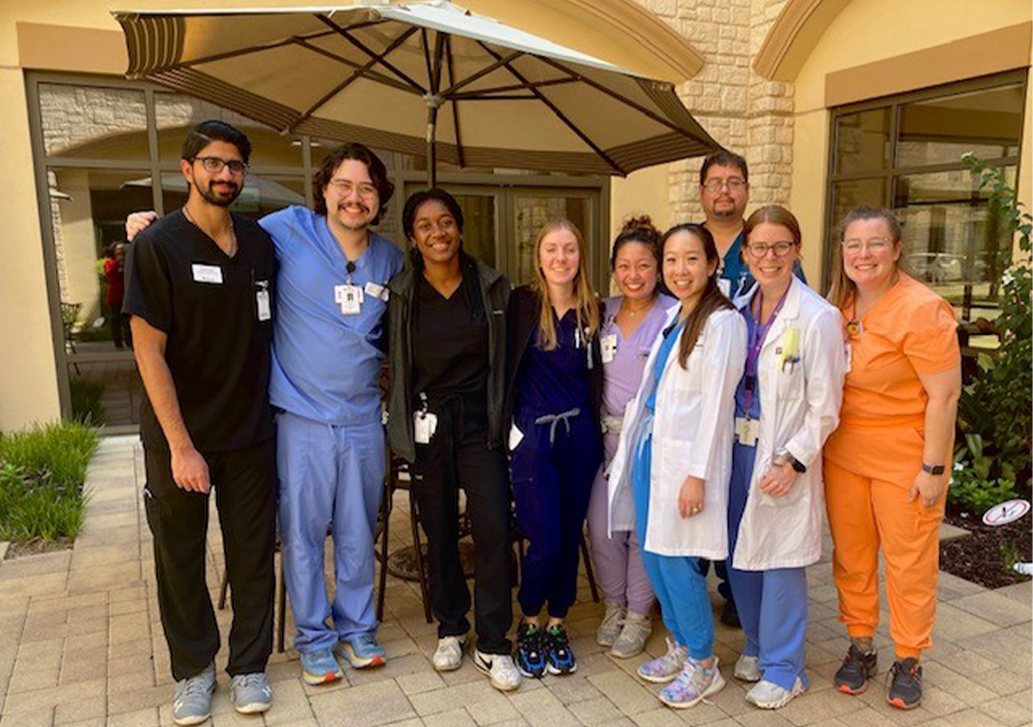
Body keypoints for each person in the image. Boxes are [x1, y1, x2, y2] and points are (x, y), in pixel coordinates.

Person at [126, 142, 403, 685]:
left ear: (379, 198)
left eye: (366, 188)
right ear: (323, 190)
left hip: (364, 418)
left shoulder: (390, 259)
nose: (354, 198)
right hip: (300, 417)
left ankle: (358, 627)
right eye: (343, 186)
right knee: (300, 533)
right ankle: (315, 638)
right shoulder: (286, 230)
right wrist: (152, 228)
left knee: (356, 528)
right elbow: (208, 228)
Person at [124, 120, 277, 725]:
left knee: (251, 555)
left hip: (250, 432)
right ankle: (193, 670)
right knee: (180, 556)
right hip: (179, 437)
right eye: (213, 163)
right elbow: (147, 351)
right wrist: (182, 447)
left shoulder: (260, 243)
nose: (225, 175)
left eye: (235, 165)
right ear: (187, 170)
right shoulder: (158, 246)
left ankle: (249, 666)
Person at [823, 207, 961, 710]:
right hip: (844, 455)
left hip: (906, 457)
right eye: (854, 244)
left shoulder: (924, 310)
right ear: (842, 252)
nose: (864, 254)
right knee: (852, 556)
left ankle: (909, 656)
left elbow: (945, 397)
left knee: (909, 563)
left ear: (897, 249)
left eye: (876, 243)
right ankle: (861, 645)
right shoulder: (838, 306)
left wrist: (933, 470)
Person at [385, 188, 520, 691]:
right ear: (413, 238)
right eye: (424, 225)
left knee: (492, 528)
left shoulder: (491, 287)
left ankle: (492, 640)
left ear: (460, 228)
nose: (437, 232)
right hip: (427, 424)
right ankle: (450, 626)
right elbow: (392, 361)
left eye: (445, 222)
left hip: (479, 424)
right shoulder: (402, 294)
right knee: (437, 527)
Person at [607, 223, 746, 710]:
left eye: (691, 259)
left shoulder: (723, 322)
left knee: (678, 561)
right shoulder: (676, 317)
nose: (679, 270)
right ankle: (682, 645)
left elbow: (715, 408)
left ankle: (704, 664)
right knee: (652, 553)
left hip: (688, 463)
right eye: (671, 259)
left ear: (712, 265)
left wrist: (698, 475)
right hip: (652, 453)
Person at [725, 206, 845, 709]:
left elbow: (827, 406)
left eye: (780, 247)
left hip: (781, 455)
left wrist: (794, 461)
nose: (769, 257)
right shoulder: (734, 308)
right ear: (745, 253)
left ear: (797, 250)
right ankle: (755, 645)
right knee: (740, 555)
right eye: (759, 247)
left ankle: (785, 667)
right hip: (735, 449)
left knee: (781, 562)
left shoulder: (818, 316)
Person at [506, 219, 603, 678]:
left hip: (580, 436)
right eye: (552, 249)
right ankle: (529, 620)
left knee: (568, 534)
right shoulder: (520, 305)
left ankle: (558, 621)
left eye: (569, 249)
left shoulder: (594, 311)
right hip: (535, 436)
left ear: (579, 256)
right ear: (539, 257)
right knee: (542, 538)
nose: (561, 258)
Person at [586, 216, 675, 659]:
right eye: (624, 266)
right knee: (603, 528)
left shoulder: (672, 315)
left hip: (649, 441)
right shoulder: (600, 312)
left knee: (642, 529)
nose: (634, 275)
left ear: (657, 269)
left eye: (643, 265)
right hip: (603, 439)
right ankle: (613, 605)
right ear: (613, 270)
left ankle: (639, 613)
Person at [104, 242, 131, 349]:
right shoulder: (109, 263)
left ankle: (129, 341)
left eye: (122, 251)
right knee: (116, 320)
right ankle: (118, 343)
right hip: (115, 296)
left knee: (127, 321)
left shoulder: (128, 263)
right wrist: (118, 263)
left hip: (126, 296)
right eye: (118, 251)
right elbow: (109, 273)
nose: (120, 253)